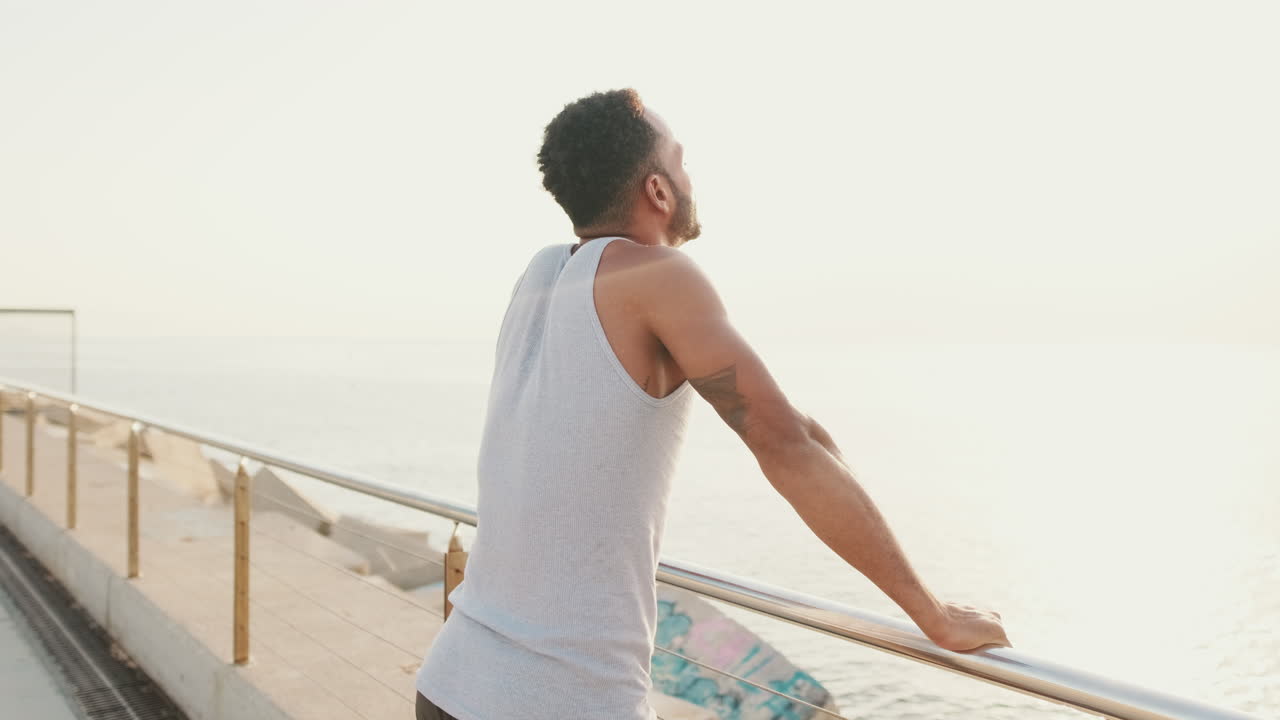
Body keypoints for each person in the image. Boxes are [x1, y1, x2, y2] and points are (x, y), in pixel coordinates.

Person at [414, 88, 1011, 720]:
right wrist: (933, 613)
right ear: (658, 191)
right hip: (560, 699)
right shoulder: (658, 276)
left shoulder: (538, 276)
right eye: (681, 160)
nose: (690, 175)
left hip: (452, 681)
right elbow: (785, 442)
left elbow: (794, 430)